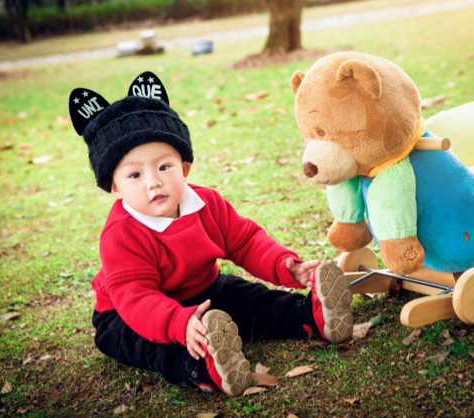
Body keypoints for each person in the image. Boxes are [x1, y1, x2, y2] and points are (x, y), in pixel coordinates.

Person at [68, 71, 354, 396]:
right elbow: (136, 298)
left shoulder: (206, 203)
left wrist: (285, 265)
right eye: (135, 175)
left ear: (184, 168)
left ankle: (313, 317)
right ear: (114, 187)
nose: (153, 182)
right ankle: (204, 368)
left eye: (164, 167)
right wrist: (179, 323)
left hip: (203, 291)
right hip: (127, 314)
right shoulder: (121, 234)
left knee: (252, 300)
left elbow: (245, 241)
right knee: (153, 346)